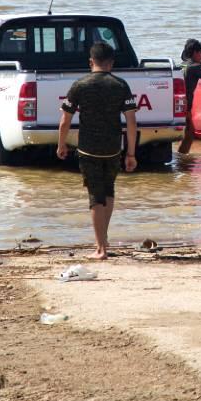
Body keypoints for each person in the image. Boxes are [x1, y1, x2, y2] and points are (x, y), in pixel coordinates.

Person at [56, 42, 138, 260]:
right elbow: (131, 122)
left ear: (91, 62)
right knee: (108, 191)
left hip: (88, 149)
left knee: (95, 196)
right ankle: (103, 238)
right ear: (111, 63)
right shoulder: (121, 85)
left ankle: (101, 249)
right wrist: (131, 153)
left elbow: (65, 120)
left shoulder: (80, 85)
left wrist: (61, 144)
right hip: (113, 148)